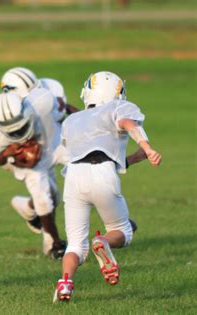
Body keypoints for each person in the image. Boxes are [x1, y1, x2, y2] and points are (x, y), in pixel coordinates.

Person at [53, 71, 162, 302]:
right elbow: (126, 123)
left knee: (75, 245)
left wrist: (134, 158)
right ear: (117, 92)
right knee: (123, 231)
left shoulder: (73, 119)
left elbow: (86, 154)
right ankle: (103, 242)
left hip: (73, 177)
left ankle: (65, 283)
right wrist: (147, 147)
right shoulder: (117, 108)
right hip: (102, 174)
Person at [0, 92, 67, 259]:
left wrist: (86, 117)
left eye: (21, 128)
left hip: (55, 146)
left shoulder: (43, 100)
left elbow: (63, 106)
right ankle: (56, 244)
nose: (20, 135)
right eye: (14, 132)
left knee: (86, 169)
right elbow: (1, 162)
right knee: (44, 201)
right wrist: (18, 158)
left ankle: (25, 206)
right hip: (35, 164)